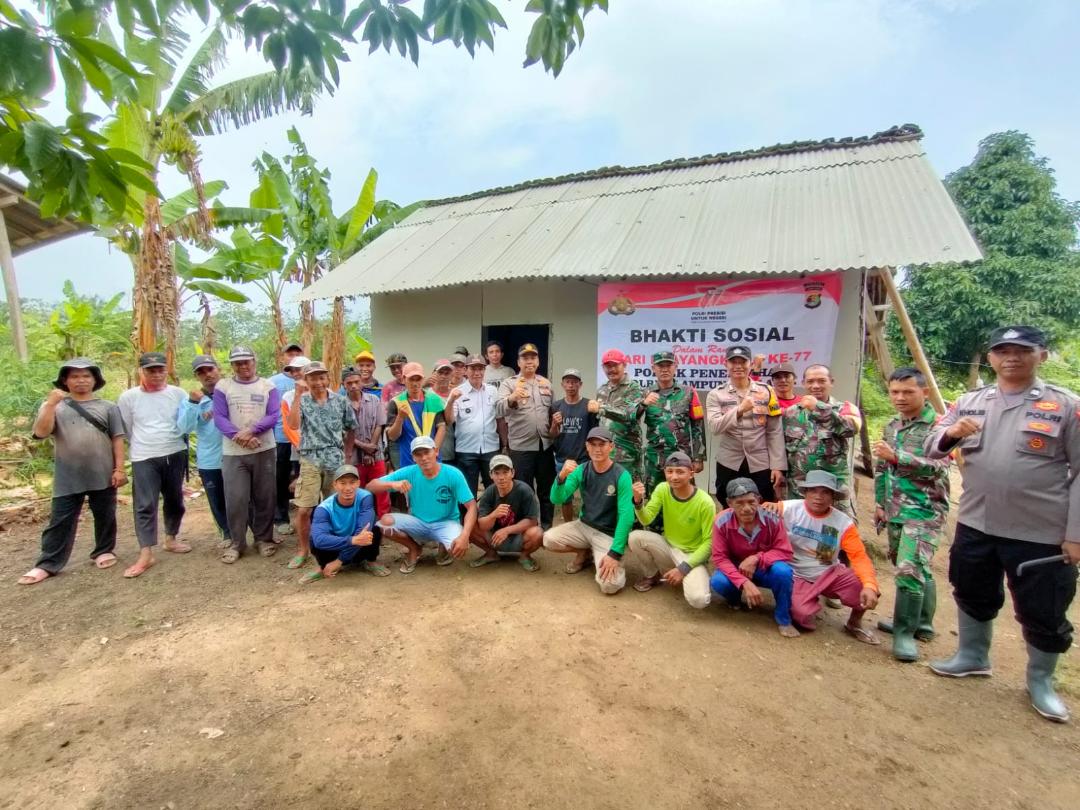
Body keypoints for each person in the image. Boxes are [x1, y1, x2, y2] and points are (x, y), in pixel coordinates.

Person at [925, 326, 1079, 723]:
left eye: (1021, 350)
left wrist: (1075, 535)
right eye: (1002, 350)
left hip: (1041, 532)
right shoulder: (970, 402)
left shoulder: (1066, 406)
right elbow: (931, 444)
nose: (1011, 357)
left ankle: (1040, 681)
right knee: (971, 589)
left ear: (1041, 355)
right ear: (991, 357)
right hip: (977, 521)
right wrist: (951, 434)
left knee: (1043, 608)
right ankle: (973, 656)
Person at [18, 359, 126, 585]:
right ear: (65, 381)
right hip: (68, 474)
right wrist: (49, 404)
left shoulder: (108, 407)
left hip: (102, 471)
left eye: (86, 376)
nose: (81, 381)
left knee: (105, 515)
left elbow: (117, 439)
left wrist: (119, 468)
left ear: (95, 380)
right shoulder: (55, 406)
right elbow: (41, 432)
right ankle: (48, 563)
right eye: (75, 377)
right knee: (60, 519)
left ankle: (104, 550)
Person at [872, 367, 951, 662]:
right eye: (895, 392)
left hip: (925, 510)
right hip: (895, 508)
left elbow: (942, 467)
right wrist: (879, 503)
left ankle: (904, 633)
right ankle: (923, 623)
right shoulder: (892, 425)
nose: (900, 398)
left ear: (924, 392)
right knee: (911, 565)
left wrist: (899, 457)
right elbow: (882, 467)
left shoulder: (940, 427)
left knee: (909, 570)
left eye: (908, 392)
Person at [764, 470, 880, 644]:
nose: (819, 497)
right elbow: (758, 511)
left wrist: (869, 585)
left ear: (833, 496)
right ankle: (808, 599)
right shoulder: (788, 508)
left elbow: (859, 556)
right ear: (805, 492)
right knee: (801, 615)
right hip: (797, 574)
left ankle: (854, 623)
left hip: (830, 571)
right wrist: (768, 506)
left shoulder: (843, 522)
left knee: (867, 587)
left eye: (825, 492)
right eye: (813, 491)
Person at [117, 352, 190, 578]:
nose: (156, 374)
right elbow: (126, 428)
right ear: (142, 372)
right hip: (144, 455)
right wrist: (144, 442)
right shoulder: (129, 397)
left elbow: (184, 422)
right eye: (151, 370)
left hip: (175, 452)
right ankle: (146, 553)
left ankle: (171, 538)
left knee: (175, 500)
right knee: (145, 504)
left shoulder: (178, 394)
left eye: (160, 369)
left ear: (166, 370)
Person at [543, 427, 634, 594]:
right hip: (583, 526)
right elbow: (557, 499)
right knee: (548, 539)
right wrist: (561, 477)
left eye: (602, 444)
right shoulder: (581, 470)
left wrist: (615, 552)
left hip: (607, 533)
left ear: (611, 447)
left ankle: (608, 556)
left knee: (610, 586)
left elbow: (626, 516)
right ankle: (585, 552)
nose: (597, 449)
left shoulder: (621, 475)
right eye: (593, 445)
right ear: (587, 446)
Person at [367, 436, 477, 574]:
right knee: (385, 522)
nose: (423, 458)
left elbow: (471, 506)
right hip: (418, 522)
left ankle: (444, 548)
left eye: (427, 452)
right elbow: (370, 486)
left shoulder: (453, 474)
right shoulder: (409, 472)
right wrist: (392, 484)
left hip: (446, 522)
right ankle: (414, 548)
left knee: (458, 549)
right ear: (413, 457)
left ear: (436, 451)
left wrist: (465, 535)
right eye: (418, 454)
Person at [213, 346, 281, 564]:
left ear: (254, 361)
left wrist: (252, 431)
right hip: (234, 451)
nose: (243, 366)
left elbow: (273, 415)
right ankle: (237, 543)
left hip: (264, 448)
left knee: (265, 496)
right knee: (236, 498)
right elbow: (220, 418)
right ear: (232, 365)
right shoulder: (223, 387)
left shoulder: (267, 386)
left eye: (247, 361)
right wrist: (240, 436)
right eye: (238, 363)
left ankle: (264, 538)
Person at [286, 361, 357, 570]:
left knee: (334, 506)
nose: (317, 382)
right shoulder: (302, 400)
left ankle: (333, 547)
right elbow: (293, 425)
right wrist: (298, 396)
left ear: (327, 379)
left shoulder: (340, 401)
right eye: (312, 378)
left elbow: (351, 428)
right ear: (306, 381)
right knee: (304, 508)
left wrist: (348, 453)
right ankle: (303, 550)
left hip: (335, 458)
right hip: (310, 458)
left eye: (320, 377)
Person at [709, 478, 799, 637]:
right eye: (739, 503)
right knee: (718, 581)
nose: (747, 508)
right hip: (737, 568)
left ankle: (783, 618)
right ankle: (735, 598)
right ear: (729, 503)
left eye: (751, 502)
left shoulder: (773, 518)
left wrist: (756, 558)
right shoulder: (721, 521)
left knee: (783, 572)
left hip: (764, 567)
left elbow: (784, 551)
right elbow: (720, 558)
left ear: (759, 500)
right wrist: (743, 582)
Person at [627, 451, 715, 609]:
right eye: (670, 471)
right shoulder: (663, 489)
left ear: (691, 474)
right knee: (635, 537)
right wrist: (638, 501)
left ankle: (688, 574)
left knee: (699, 600)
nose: (674, 477)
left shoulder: (705, 502)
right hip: (669, 547)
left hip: (691, 555)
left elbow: (709, 543)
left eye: (680, 472)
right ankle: (653, 575)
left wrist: (684, 568)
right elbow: (646, 519)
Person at [707, 345, 786, 505]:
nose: (738, 366)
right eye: (733, 362)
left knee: (764, 504)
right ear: (725, 365)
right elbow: (715, 427)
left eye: (742, 361)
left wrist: (778, 466)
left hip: (760, 461)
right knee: (728, 502)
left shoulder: (767, 391)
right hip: (729, 461)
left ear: (750, 364)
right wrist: (739, 410)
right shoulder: (716, 394)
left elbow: (774, 431)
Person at [783, 363, 862, 515]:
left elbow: (852, 428)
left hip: (834, 488)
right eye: (810, 381)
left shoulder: (845, 408)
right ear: (803, 383)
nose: (816, 386)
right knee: (799, 530)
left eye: (821, 381)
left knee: (839, 530)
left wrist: (817, 408)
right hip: (800, 486)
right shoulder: (791, 413)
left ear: (831, 382)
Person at [496, 343, 556, 529]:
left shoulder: (546, 383)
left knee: (547, 491)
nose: (529, 361)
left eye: (533, 357)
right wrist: (512, 397)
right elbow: (498, 408)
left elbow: (552, 411)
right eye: (525, 358)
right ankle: (526, 527)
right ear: (518, 362)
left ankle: (546, 527)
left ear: (538, 361)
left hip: (544, 446)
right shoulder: (509, 383)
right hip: (521, 448)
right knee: (523, 491)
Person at [176, 356, 230, 546]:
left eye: (210, 369)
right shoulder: (192, 400)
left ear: (219, 369)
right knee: (217, 499)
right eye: (201, 372)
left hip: (237, 456)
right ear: (196, 376)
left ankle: (252, 530)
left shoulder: (232, 392)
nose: (207, 374)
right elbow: (184, 428)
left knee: (244, 497)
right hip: (210, 460)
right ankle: (226, 533)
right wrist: (192, 404)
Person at [303, 464, 390, 583]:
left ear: (358, 483)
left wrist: (339, 561)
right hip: (338, 546)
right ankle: (322, 567)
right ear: (335, 485)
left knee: (373, 526)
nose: (348, 488)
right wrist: (352, 540)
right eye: (342, 483)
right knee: (314, 538)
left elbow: (363, 533)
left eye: (352, 482)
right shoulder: (323, 508)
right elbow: (319, 540)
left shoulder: (365, 497)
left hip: (358, 547)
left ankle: (370, 561)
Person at [641, 351, 705, 496]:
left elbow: (698, 426)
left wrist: (698, 456)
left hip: (681, 456)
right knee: (655, 498)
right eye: (660, 365)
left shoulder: (689, 392)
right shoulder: (644, 393)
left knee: (684, 498)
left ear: (676, 366)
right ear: (653, 368)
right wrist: (643, 404)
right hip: (654, 458)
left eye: (668, 365)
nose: (664, 369)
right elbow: (632, 417)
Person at [468, 454, 544, 572]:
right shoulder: (489, 492)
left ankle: (524, 556)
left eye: (505, 472)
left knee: (538, 533)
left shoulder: (524, 490)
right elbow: (482, 525)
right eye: (497, 473)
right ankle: (491, 554)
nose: (501, 477)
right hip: (494, 538)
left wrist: (507, 530)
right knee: (469, 525)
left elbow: (532, 521)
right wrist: (493, 515)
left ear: (512, 473)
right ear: (491, 475)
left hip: (519, 537)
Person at [446, 354, 502, 496]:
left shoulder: (492, 390)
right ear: (465, 370)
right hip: (466, 449)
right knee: (467, 492)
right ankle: (468, 518)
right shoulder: (457, 392)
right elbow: (449, 419)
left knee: (493, 490)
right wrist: (451, 400)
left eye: (480, 369)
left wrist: (505, 444)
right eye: (473, 369)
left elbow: (499, 418)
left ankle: (489, 518)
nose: (477, 373)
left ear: (485, 370)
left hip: (490, 447)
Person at [549, 368, 597, 524]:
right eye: (567, 382)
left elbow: (594, 433)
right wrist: (555, 424)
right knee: (565, 498)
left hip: (584, 460)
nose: (571, 385)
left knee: (588, 497)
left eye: (574, 382)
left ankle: (587, 527)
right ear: (562, 384)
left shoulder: (588, 405)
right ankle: (568, 527)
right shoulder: (556, 406)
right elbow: (552, 435)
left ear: (580, 384)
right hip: (562, 459)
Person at [342, 365, 389, 518]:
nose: (354, 386)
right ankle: (361, 524)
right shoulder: (340, 404)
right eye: (349, 383)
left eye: (356, 381)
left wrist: (372, 448)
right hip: (353, 457)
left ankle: (384, 526)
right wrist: (365, 447)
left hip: (376, 455)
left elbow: (379, 425)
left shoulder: (374, 400)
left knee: (381, 491)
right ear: (343, 385)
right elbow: (343, 433)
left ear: (361, 381)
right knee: (358, 491)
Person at [594, 349, 646, 481]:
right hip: (604, 453)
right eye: (607, 366)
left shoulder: (634, 388)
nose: (611, 369)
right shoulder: (602, 389)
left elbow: (628, 415)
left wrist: (601, 408)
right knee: (607, 493)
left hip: (626, 454)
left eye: (615, 365)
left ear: (624, 365)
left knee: (629, 495)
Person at [270, 344, 304, 535]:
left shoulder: (311, 378)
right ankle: (281, 518)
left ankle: (306, 520)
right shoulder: (273, 382)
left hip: (305, 443)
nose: (293, 356)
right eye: (290, 353)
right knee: (280, 479)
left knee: (302, 480)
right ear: (283, 358)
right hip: (281, 438)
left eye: (297, 353)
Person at [386, 362, 446, 467]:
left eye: (418, 379)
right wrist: (400, 418)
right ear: (404, 379)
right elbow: (392, 436)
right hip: (408, 459)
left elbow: (441, 427)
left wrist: (434, 451)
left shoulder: (434, 400)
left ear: (423, 380)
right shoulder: (396, 402)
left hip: (432, 458)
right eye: (411, 379)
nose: (415, 383)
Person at [428, 358, 458, 469]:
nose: (444, 376)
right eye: (440, 372)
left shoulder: (456, 394)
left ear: (452, 375)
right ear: (433, 374)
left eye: (447, 373)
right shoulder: (425, 394)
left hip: (449, 448)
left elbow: (450, 421)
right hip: (428, 449)